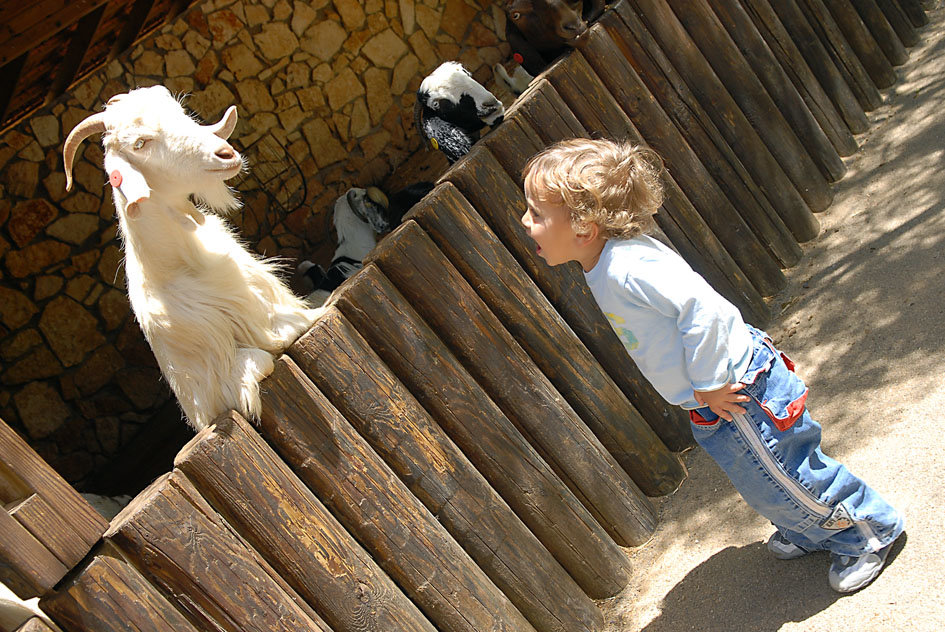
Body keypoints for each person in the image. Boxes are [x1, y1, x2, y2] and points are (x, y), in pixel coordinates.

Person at [519, 137, 904, 593]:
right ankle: (811, 528)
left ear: (583, 228)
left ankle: (866, 530)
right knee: (761, 479)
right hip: (716, 397)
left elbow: (703, 310)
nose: (525, 222)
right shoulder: (605, 262)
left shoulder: (626, 267)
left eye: (536, 214)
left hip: (737, 392)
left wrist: (709, 383)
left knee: (786, 471)